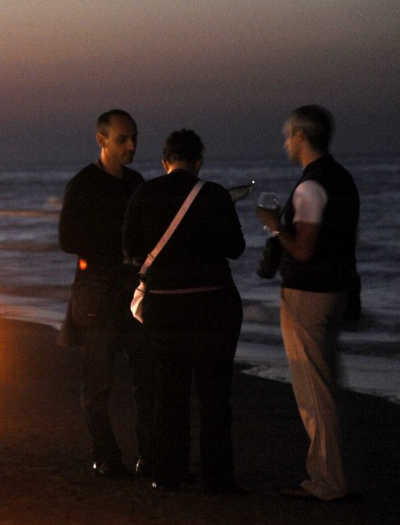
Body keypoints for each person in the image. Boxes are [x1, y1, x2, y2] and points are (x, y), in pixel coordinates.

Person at [123, 130, 246, 493]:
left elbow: (131, 248)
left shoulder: (144, 193)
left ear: (165, 161)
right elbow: (235, 248)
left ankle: (168, 473)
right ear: (199, 161)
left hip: (165, 307)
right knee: (214, 395)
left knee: (169, 391)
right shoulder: (214, 195)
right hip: (214, 305)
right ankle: (218, 478)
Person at [256, 105, 360, 502]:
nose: (285, 142)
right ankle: (325, 475)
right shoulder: (342, 180)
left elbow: (302, 249)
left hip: (309, 294)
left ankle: (328, 482)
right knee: (325, 384)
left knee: (314, 391)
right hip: (336, 290)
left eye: (288, 135)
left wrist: (274, 225)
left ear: (301, 135)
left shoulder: (310, 186)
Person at [58, 109, 153, 478]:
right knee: (98, 379)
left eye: (133, 138)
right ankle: (106, 455)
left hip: (133, 286)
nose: (130, 146)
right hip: (97, 288)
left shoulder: (137, 182)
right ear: (102, 141)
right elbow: (68, 240)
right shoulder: (83, 184)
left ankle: (150, 455)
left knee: (147, 375)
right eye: (122, 139)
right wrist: (116, 248)